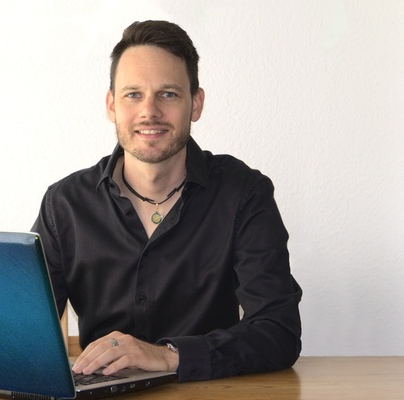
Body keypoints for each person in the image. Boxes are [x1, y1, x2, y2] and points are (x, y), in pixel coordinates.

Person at [32, 20, 302, 382]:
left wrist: (168, 355)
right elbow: (22, 331)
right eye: (133, 95)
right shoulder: (64, 205)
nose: (149, 111)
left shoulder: (244, 194)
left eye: (168, 94)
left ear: (196, 103)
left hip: (211, 391)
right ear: (111, 105)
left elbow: (279, 331)